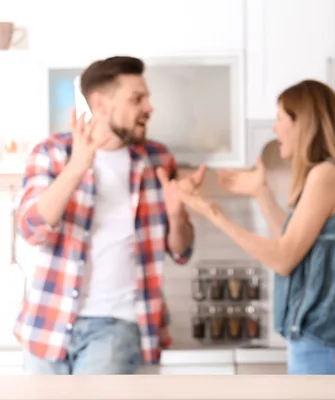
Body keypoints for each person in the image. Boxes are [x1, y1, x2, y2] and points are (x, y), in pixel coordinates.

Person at [175, 79, 335, 374]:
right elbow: (298, 243)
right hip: (334, 338)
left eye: (280, 118)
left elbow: (284, 259)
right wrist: (261, 192)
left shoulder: (324, 176)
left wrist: (214, 213)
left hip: (321, 339)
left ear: (303, 124)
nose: (275, 128)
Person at [15, 56, 199, 375]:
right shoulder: (52, 152)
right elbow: (32, 229)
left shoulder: (157, 159)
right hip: (47, 323)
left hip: (118, 325)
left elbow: (181, 252)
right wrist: (76, 168)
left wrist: (176, 213)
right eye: (137, 98)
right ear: (100, 103)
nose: (149, 108)